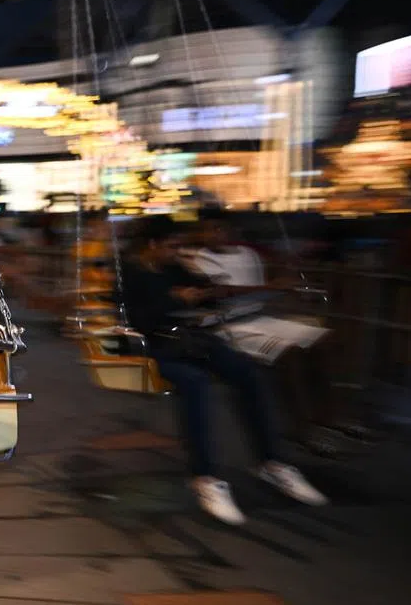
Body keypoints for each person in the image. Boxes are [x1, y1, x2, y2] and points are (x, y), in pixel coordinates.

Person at [120, 215, 328, 526]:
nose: (176, 252)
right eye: (171, 246)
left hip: (191, 339)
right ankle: (205, 477)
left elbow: (206, 288)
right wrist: (173, 299)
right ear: (151, 245)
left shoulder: (173, 268)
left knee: (248, 374)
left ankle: (271, 462)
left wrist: (209, 291)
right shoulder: (129, 274)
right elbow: (137, 319)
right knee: (196, 383)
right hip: (154, 348)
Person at [183, 212, 361, 455]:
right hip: (228, 325)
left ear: (231, 231)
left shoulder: (249, 254)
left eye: (218, 229)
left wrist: (286, 279)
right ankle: (300, 429)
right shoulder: (198, 260)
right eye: (207, 230)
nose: (212, 235)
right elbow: (218, 291)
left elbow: (270, 278)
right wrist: (268, 287)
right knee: (289, 354)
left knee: (322, 341)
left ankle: (327, 417)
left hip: (259, 317)